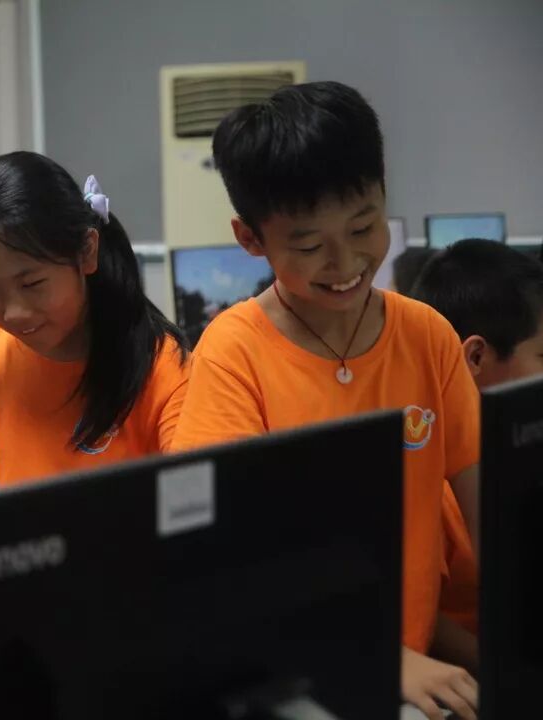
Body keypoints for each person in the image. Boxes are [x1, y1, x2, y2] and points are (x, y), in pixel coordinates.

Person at [169, 82, 480, 720]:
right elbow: (227, 561)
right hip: (292, 681)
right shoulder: (233, 353)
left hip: (407, 678)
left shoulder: (426, 336)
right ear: (250, 239)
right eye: (309, 246)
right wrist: (381, 655)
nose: (346, 262)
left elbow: (491, 511)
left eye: (364, 226)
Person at [0, 151, 189, 502]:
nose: (15, 313)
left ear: (87, 252)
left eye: (32, 284)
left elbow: (195, 503)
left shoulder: (161, 368)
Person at [411, 238, 543, 673]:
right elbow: (427, 620)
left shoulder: (522, 445)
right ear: (476, 357)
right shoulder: (431, 477)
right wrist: (513, 672)